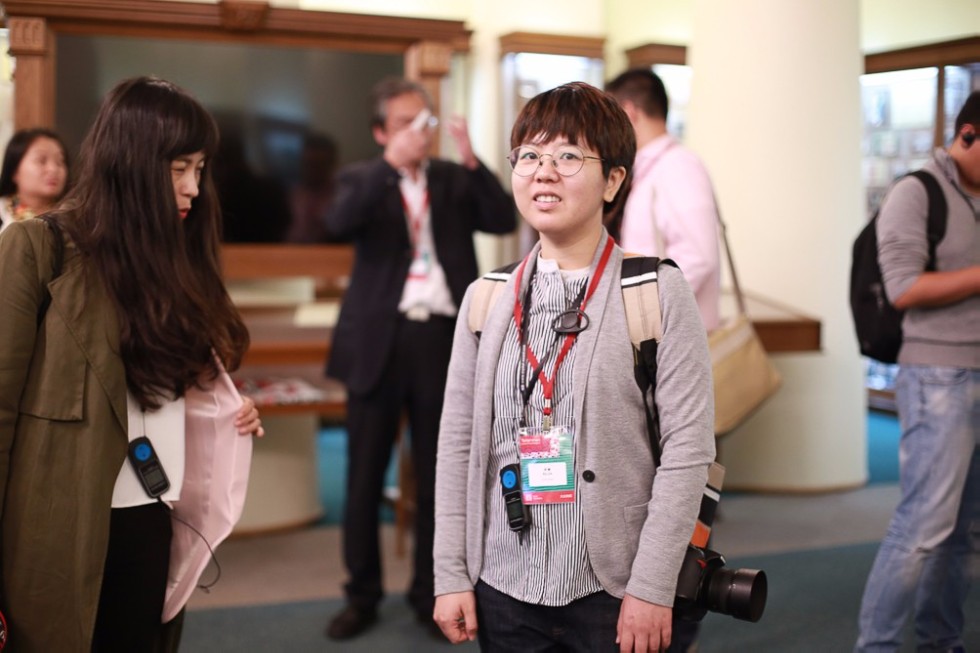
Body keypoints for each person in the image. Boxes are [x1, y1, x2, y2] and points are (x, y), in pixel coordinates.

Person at [432, 81, 715, 652]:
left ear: (612, 180)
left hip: (615, 585)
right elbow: (458, 444)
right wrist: (451, 573)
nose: (544, 172)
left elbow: (688, 450)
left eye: (567, 156)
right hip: (503, 582)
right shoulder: (486, 298)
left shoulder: (655, 291)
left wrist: (653, 586)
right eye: (529, 155)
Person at [0, 76, 264, 651]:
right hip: (61, 525)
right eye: (178, 168)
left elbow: (169, 385)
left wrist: (227, 410)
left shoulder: (176, 261)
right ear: (131, 161)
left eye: (200, 168)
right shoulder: (38, 247)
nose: (194, 187)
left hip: (153, 514)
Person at [322, 77, 515, 640]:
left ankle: (431, 592)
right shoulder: (361, 178)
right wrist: (390, 167)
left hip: (442, 341)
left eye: (423, 121)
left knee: (440, 476)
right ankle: (360, 596)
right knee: (363, 477)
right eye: (403, 123)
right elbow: (336, 224)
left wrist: (473, 159)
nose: (417, 132)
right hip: (377, 342)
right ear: (381, 132)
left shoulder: (453, 177)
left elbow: (503, 218)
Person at [855, 92, 980, 653]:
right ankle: (876, 646)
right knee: (922, 528)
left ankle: (941, 641)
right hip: (937, 378)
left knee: (964, 531)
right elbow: (903, 286)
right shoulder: (917, 192)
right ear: (967, 135)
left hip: (973, 370)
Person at [605, 69, 721, 331]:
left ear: (629, 112)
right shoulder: (650, 166)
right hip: (655, 329)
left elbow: (698, 257)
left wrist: (642, 313)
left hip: (671, 333)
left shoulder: (678, 166)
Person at [0, 128, 69, 231]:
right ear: (14, 171)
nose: (53, 169)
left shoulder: (74, 218)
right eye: (41, 160)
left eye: (59, 162)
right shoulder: (2, 213)